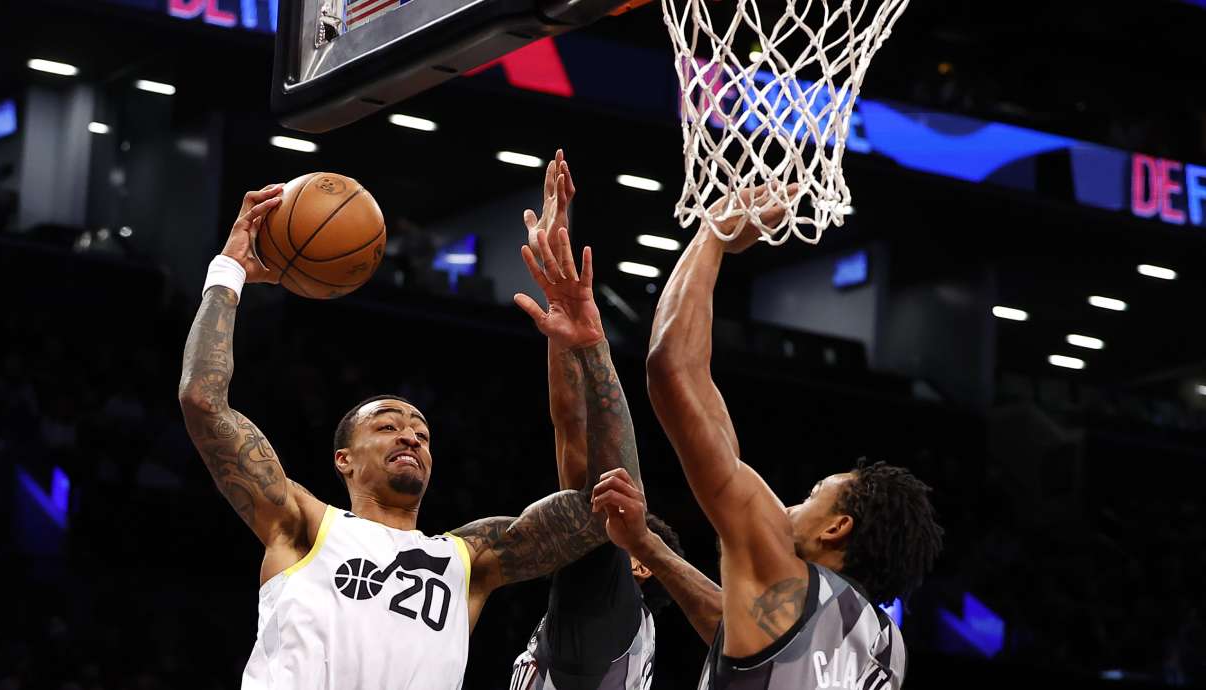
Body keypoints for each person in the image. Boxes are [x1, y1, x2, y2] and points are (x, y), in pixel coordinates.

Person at [176, 183, 641, 690]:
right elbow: (203, 400)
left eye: (421, 432)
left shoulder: (468, 559)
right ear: (344, 459)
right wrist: (229, 270)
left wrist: (593, 346)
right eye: (387, 426)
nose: (411, 437)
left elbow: (612, 504)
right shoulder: (301, 524)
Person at [619, 188, 944, 689]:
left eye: (812, 496)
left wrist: (713, 234)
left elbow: (672, 370)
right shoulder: (885, 648)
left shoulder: (783, 574)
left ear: (837, 528)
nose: (790, 506)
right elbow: (736, 626)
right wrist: (652, 550)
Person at [509, 151, 685, 690]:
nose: (600, 519)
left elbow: (593, 467)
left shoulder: (608, 603)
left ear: (641, 566)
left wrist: (589, 343)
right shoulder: (609, 627)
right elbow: (570, 428)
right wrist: (562, 319)